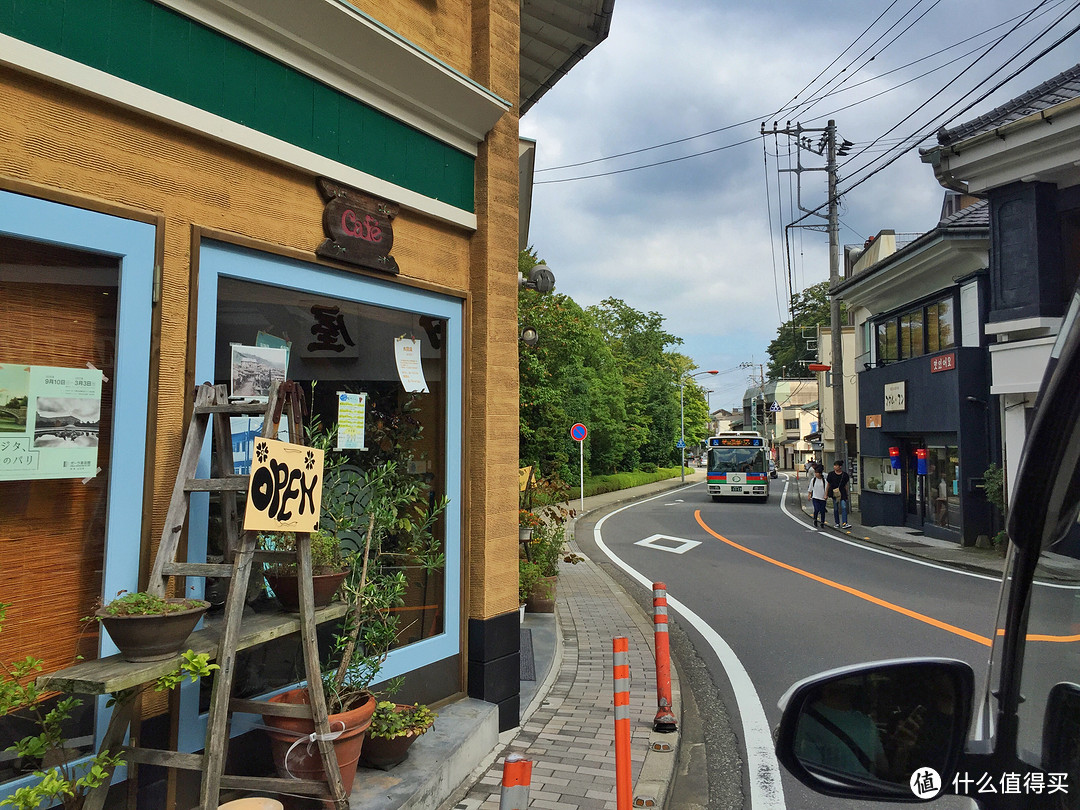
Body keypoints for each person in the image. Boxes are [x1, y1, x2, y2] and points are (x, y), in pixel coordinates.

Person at [825, 460, 852, 529]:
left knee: (843, 507)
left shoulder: (845, 475)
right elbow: (828, 484)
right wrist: (826, 494)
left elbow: (846, 485)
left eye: (836, 465)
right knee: (836, 508)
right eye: (834, 465)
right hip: (834, 492)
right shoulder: (831, 474)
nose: (835, 467)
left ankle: (844, 523)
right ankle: (837, 523)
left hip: (842, 492)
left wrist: (847, 494)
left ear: (840, 467)